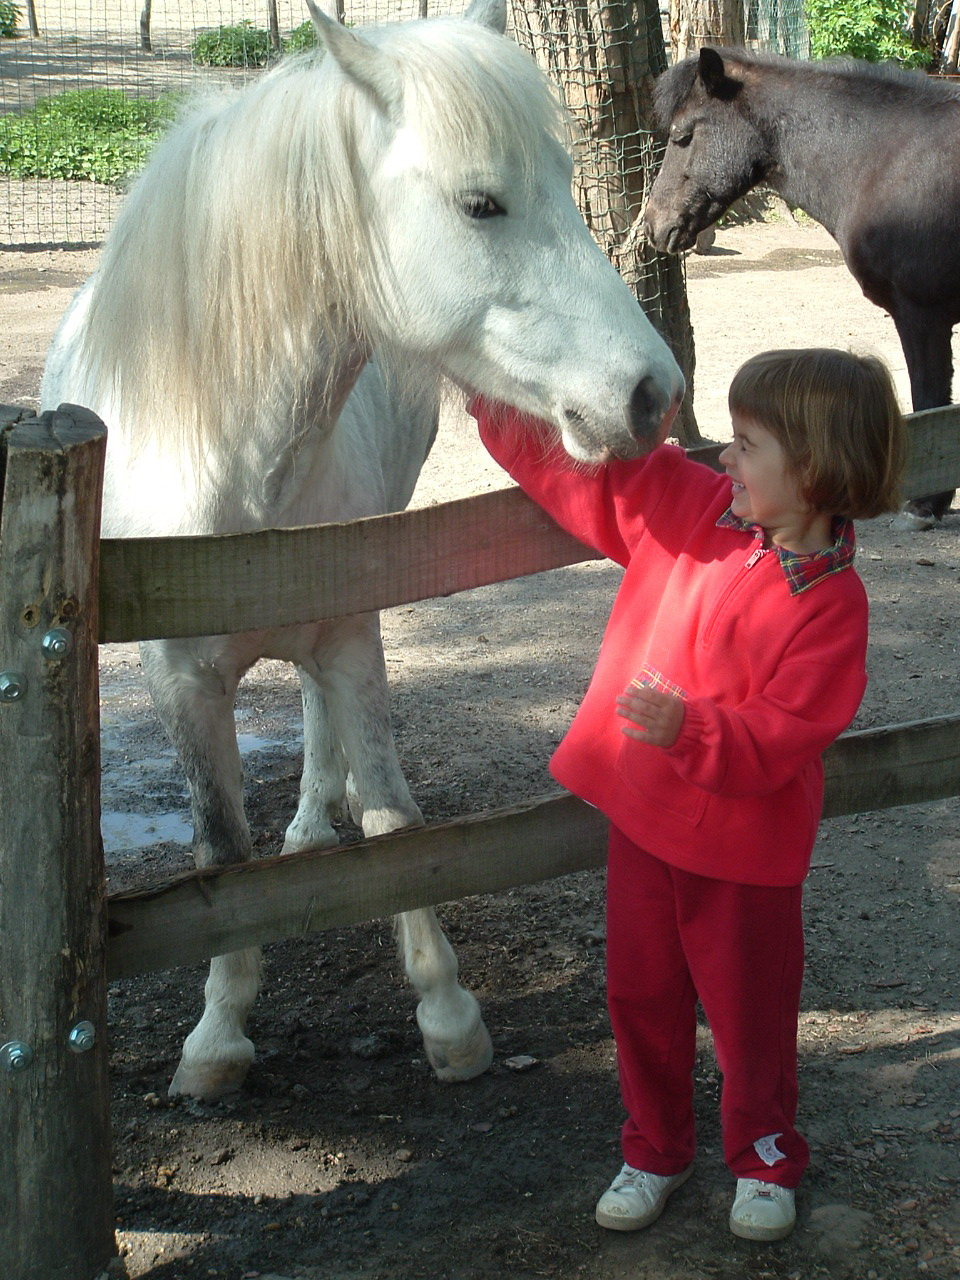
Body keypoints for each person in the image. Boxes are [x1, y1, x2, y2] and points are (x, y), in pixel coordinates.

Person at [469, 348, 906, 1242]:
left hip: (744, 856)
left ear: (816, 471)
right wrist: (493, 397)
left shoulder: (833, 606)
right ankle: (654, 1150)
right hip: (644, 824)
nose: (724, 460)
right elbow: (586, 475)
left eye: (746, 446)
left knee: (751, 1013)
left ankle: (765, 1157)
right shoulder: (691, 505)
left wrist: (693, 730)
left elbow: (788, 732)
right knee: (639, 995)